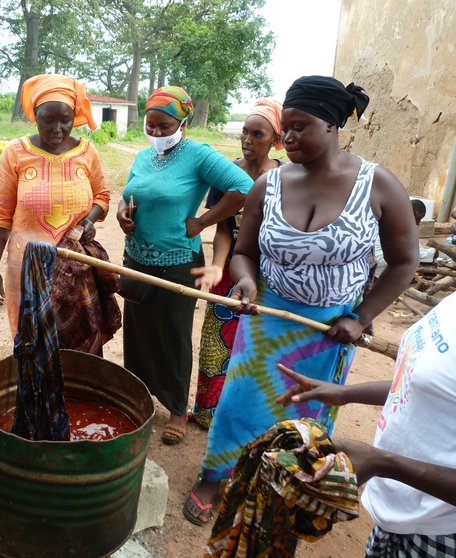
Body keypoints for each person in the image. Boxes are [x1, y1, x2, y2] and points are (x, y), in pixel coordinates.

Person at [183, 75, 419, 525]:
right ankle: (216, 477)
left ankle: (295, 484)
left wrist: (362, 316)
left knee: (307, 412)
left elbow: (404, 262)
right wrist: (246, 282)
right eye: (284, 128)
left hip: (330, 329)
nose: (287, 137)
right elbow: (245, 253)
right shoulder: (267, 186)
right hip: (267, 317)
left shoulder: (378, 185)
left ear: (331, 125)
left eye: (299, 127)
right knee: (240, 401)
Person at [116, 86, 253, 445]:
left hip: (178, 263)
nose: (157, 133)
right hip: (137, 261)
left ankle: (177, 409)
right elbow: (128, 193)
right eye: (151, 126)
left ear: (183, 122)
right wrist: (122, 214)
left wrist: (204, 221)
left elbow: (245, 187)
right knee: (140, 334)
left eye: (165, 126)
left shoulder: (198, 156)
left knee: (173, 337)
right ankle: (140, 399)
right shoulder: (144, 157)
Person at [277, 289, 456, 557]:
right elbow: (428, 388)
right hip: (404, 508)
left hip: (441, 533)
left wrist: (384, 463)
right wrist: (346, 393)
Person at [0, 74, 120, 354]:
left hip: (77, 265)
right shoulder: (15, 153)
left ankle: (77, 394)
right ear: (35, 115)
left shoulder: (86, 151)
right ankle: (36, 398)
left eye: (65, 120)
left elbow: (102, 196)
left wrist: (90, 218)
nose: (57, 128)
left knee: (81, 345)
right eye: (48, 120)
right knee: (33, 344)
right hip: (28, 265)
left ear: (75, 116)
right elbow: (0, 215)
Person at [188, 98, 284, 430]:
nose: (247, 140)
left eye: (258, 134)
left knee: (258, 346)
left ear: (275, 139)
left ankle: (248, 419)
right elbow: (224, 227)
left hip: (271, 273)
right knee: (216, 344)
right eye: (244, 132)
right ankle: (206, 413)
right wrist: (217, 267)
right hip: (231, 266)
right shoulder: (228, 172)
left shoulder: (287, 178)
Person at [373, 198, 436, 277]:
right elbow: (416, 253)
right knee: (412, 257)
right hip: (380, 261)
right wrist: (434, 251)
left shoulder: (393, 215)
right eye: (420, 218)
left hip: (371, 260)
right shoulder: (404, 225)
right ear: (417, 212)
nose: (419, 222)